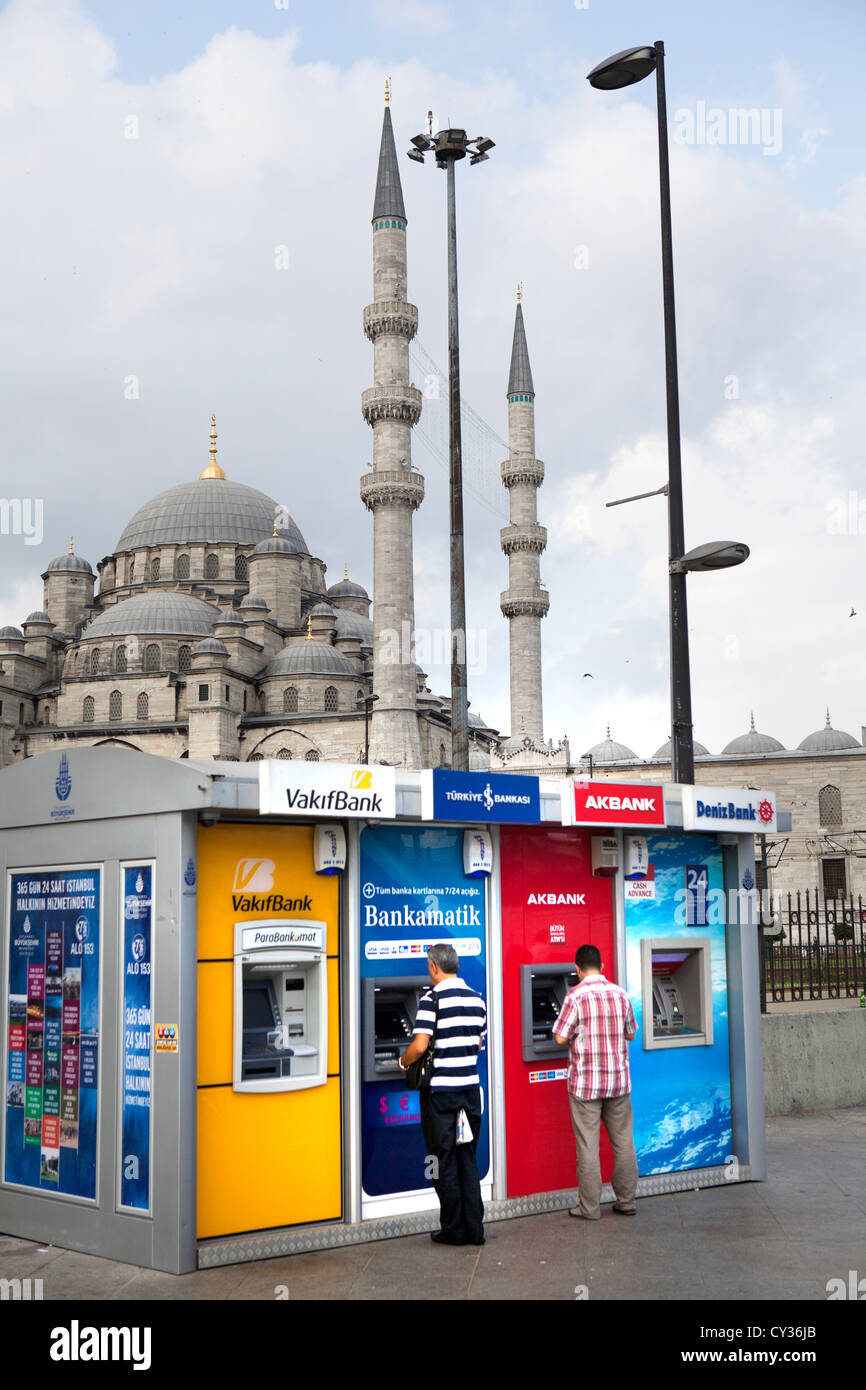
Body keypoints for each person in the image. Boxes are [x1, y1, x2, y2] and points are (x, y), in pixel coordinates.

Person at [398, 943, 487, 1246]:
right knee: (467, 1159)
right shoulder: (478, 1000)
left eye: (428, 966)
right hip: (470, 1095)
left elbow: (420, 1046)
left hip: (441, 1096)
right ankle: (475, 1229)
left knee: (442, 1160)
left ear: (434, 967)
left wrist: (402, 1061)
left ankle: (453, 1229)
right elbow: (476, 1046)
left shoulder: (431, 1000)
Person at [553, 942, 638, 1220]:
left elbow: (560, 1037)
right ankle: (626, 1200)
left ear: (576, 969)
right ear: (602, 967)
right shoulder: (621, 994)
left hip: (586, 1084)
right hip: (618, 1083)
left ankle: (589, 1208)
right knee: (624, 1142)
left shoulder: (575, 997)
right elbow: (631, 1034)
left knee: (588, 1146)